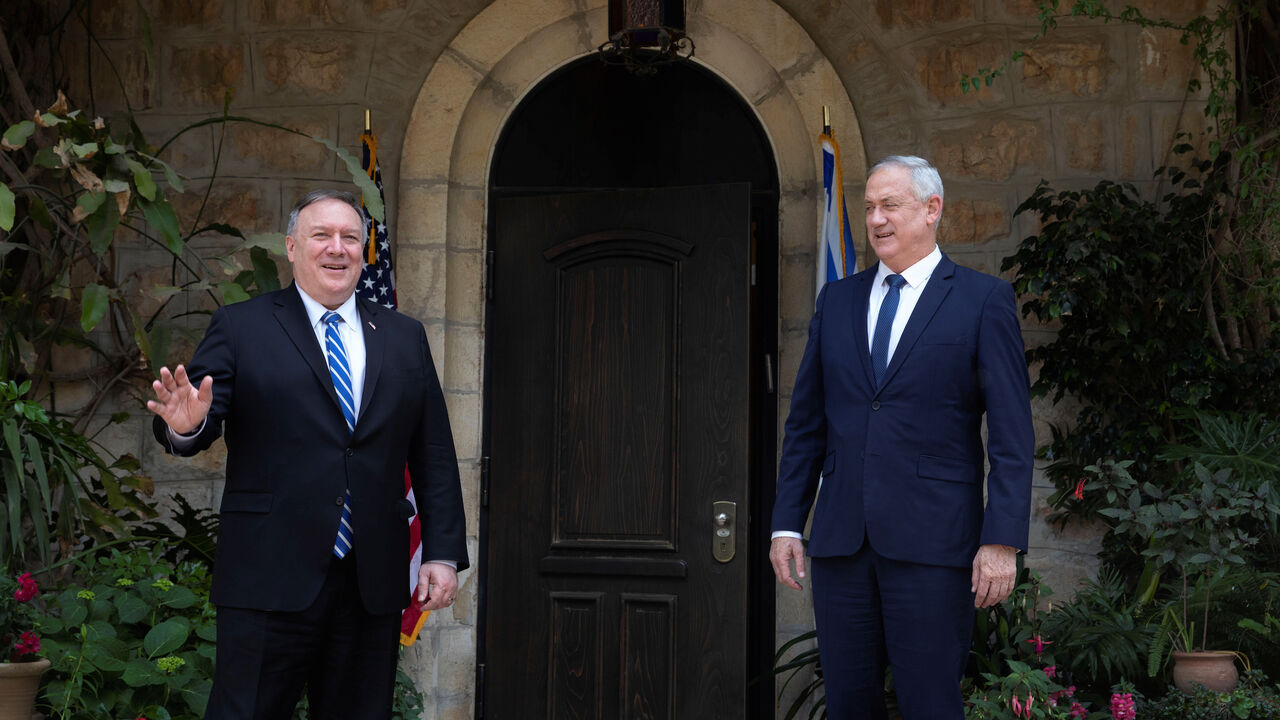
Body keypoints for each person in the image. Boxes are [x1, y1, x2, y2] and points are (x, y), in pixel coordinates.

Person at [147, 189, 468, 719]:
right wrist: (190, 425)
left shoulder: (403, 336)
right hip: (267, 575)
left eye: (350, 238)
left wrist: (440, 552)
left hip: (372, 579)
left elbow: (432, 449)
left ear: (365, 251)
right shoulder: (241, 327)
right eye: (322, 235)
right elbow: (198, 419)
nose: (336, 249)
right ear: (292, 248)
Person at [769, 156, 1034, 719]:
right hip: (842, 544)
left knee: (930, 705)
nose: (876, 219)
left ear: (932, 209)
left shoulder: (982, 300)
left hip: (934, 545)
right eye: (869, 208)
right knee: (848, 704)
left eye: (890, 205)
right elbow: (807, 424)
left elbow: (1012, 434)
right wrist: (788, 522)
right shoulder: (836, 300)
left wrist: (1002, 540)